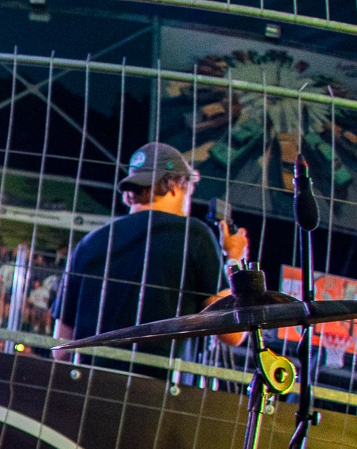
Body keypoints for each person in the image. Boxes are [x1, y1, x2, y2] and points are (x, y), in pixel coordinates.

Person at [52, 143, 249, 354]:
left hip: (91, 373)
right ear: (176, 185)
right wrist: (234, 259)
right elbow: (233, 332)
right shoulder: (193, 235)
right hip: (160, 375)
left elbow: (61, 349)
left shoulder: (90, 243)